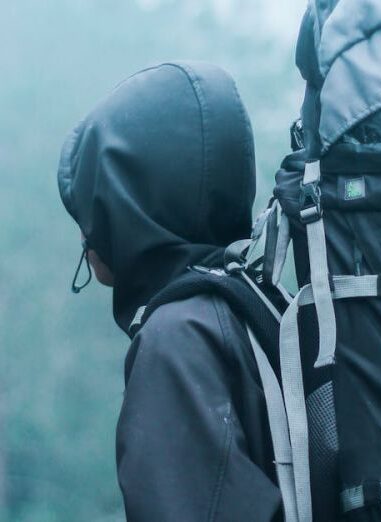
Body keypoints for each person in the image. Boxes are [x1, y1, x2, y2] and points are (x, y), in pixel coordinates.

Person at [57, 61, 283, 521]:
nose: (85, 235)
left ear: (127, 205)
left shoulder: (176, 340)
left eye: (93, 202)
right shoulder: (257, 303)